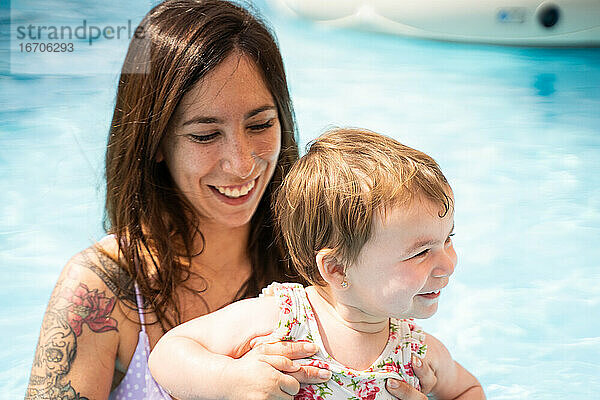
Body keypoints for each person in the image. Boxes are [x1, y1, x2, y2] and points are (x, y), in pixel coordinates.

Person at [24, 1, 435, 399]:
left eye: (260, 124)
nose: (241, 165)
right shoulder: (103, 289)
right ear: (156, 143)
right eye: (205, 135)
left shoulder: (327, 260)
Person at [148, 128, 486, 399]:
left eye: (448, 239)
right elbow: (168, 354)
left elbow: (469, 390)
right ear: (337, 269)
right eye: (420, 252)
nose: (448, 264)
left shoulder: (417, 352)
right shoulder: (283, 319)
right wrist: (231, 381)